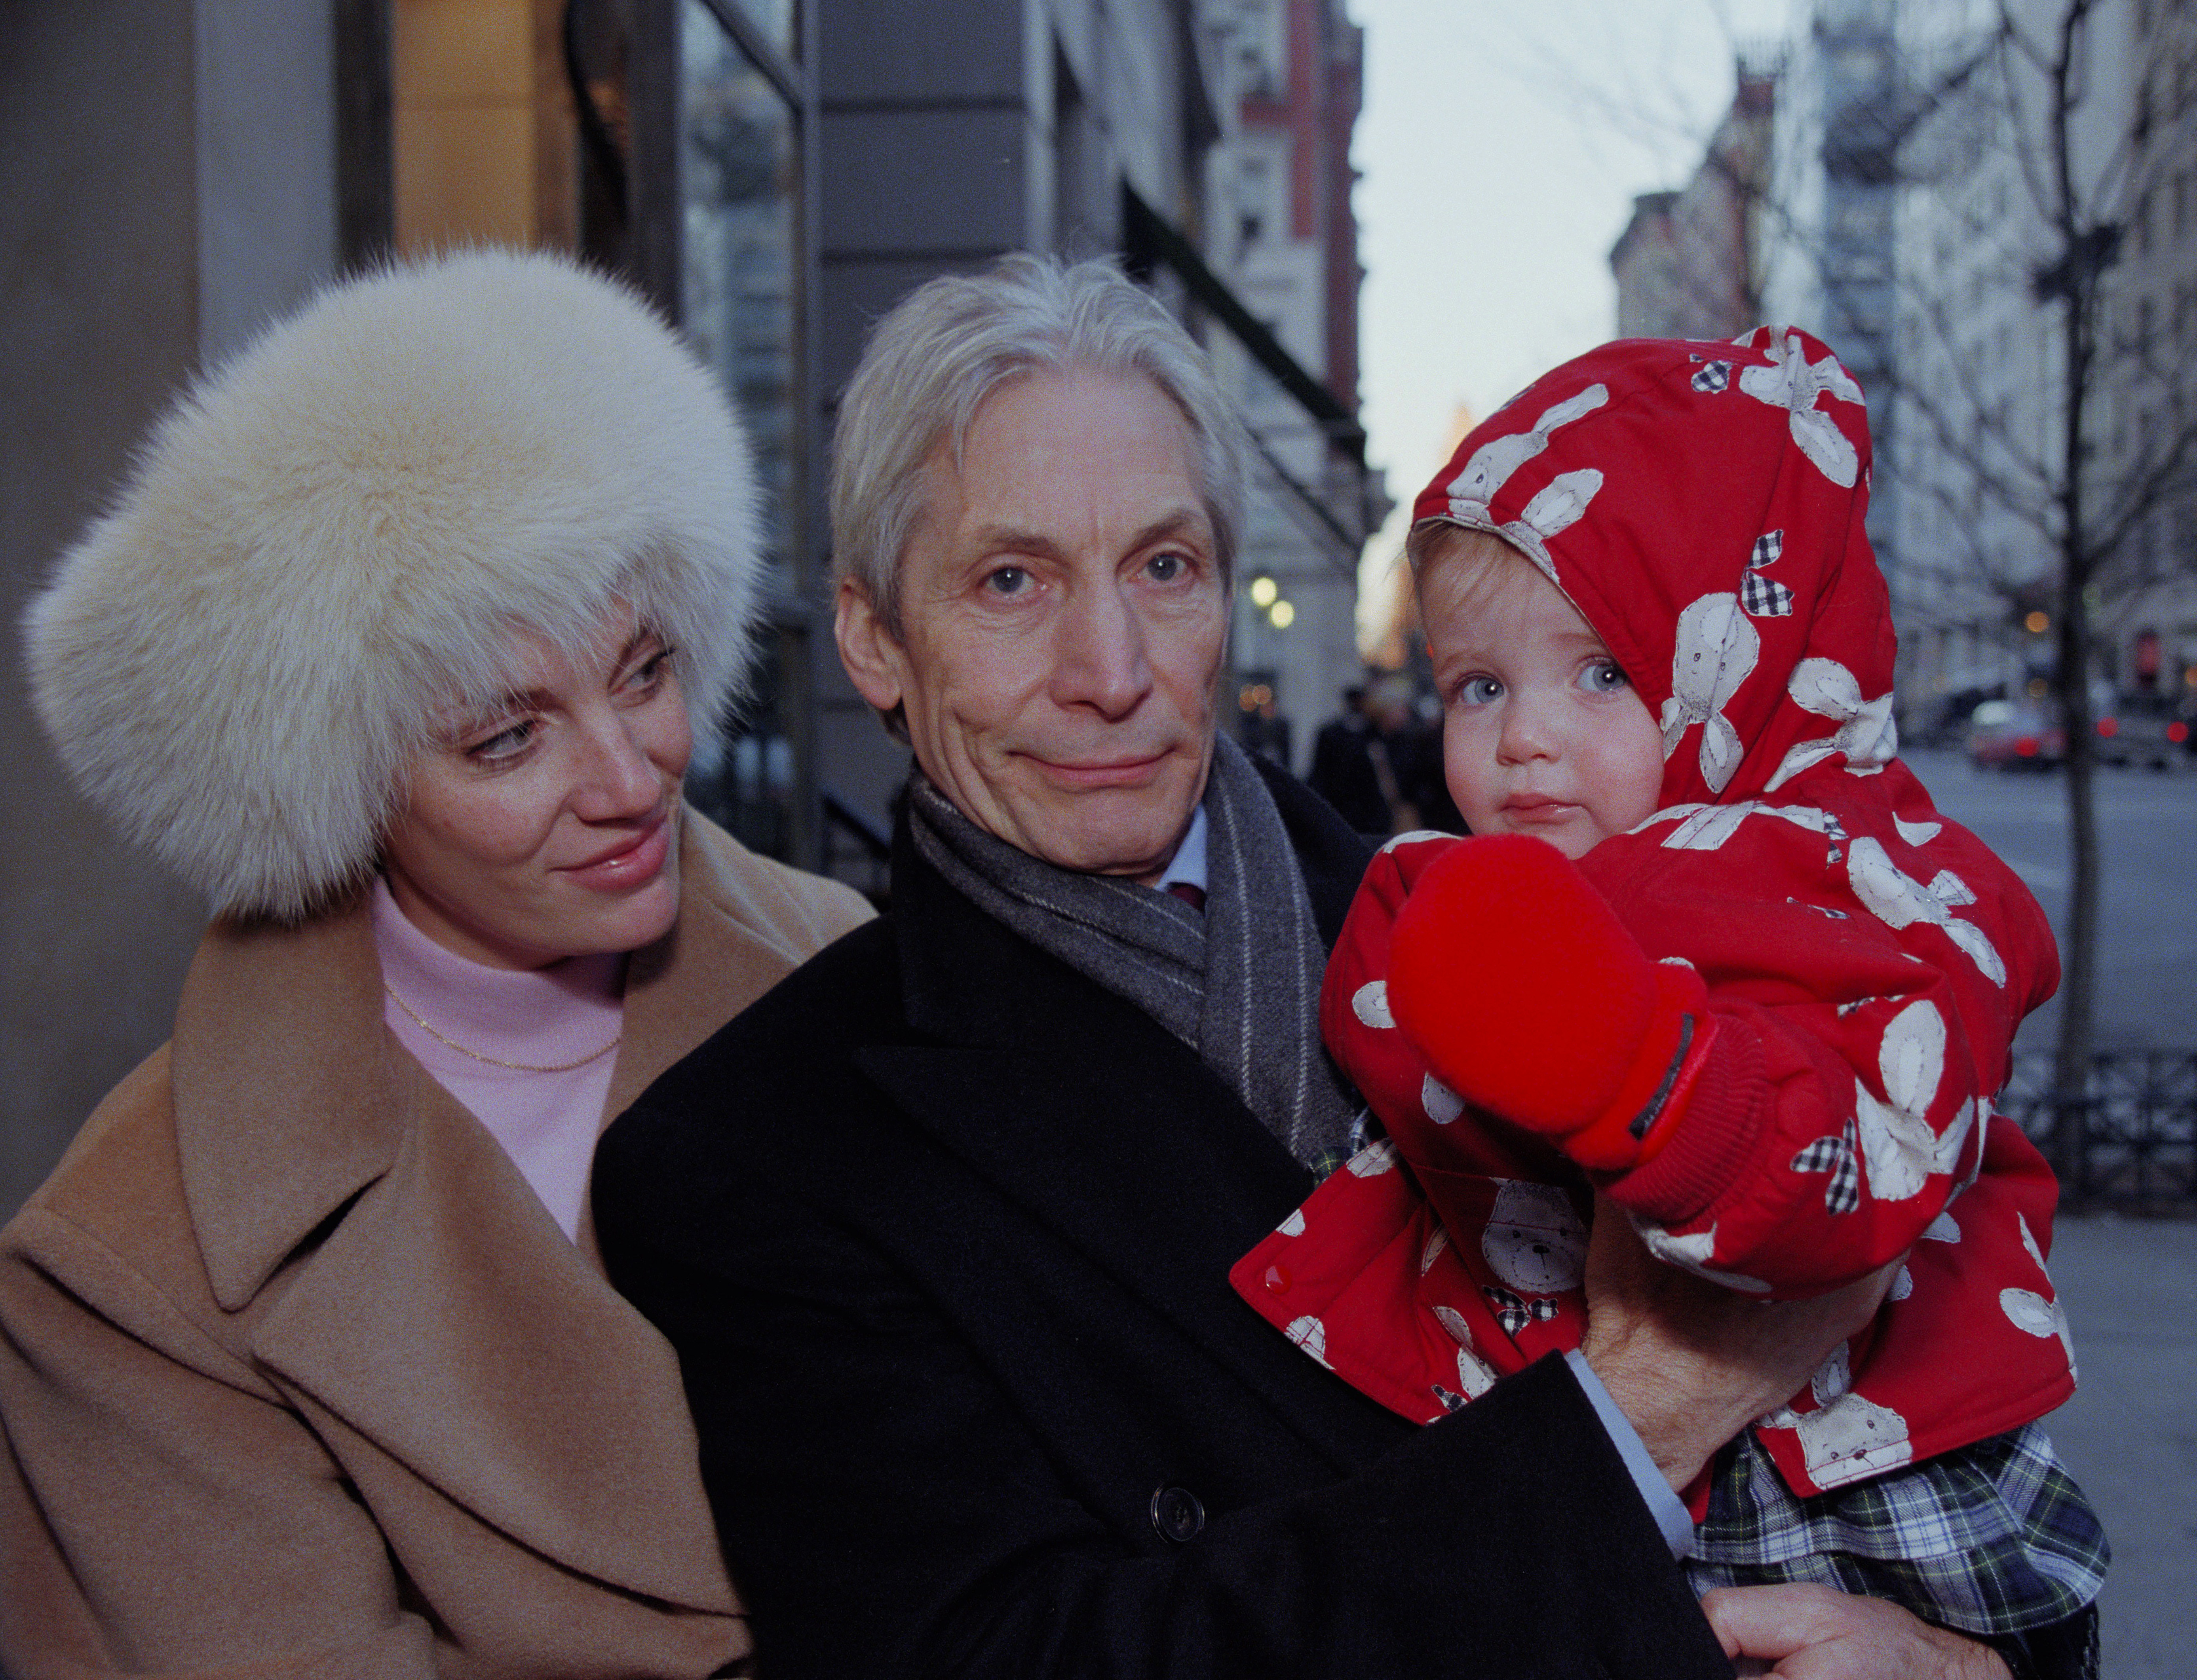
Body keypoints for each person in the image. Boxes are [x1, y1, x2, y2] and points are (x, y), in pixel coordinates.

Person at [594, 258, 2018, 1678]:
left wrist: (1961, 1665)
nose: (1111, 667)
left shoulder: (1536, 923)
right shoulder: (754, 1158)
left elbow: (1964, 1434)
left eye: (1164, 567)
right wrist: (1636, 1411)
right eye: (1011, 580)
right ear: (874, 641)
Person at [0, 250, 874, 1678]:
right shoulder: (133, 1261)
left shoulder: (852, 976)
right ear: (335, 781)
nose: (631, 776)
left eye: (646, 671)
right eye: (506, 736)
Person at [1233, 329, 2104, 1677]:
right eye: (1478, 685)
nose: (1524, 735)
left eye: (1600, 672)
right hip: (1563, 1465)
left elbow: (1871, 1131)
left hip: (1854, 1477)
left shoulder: (1861, 875)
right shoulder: (1470, 888)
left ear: (1737, 667)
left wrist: (1656, 1081)